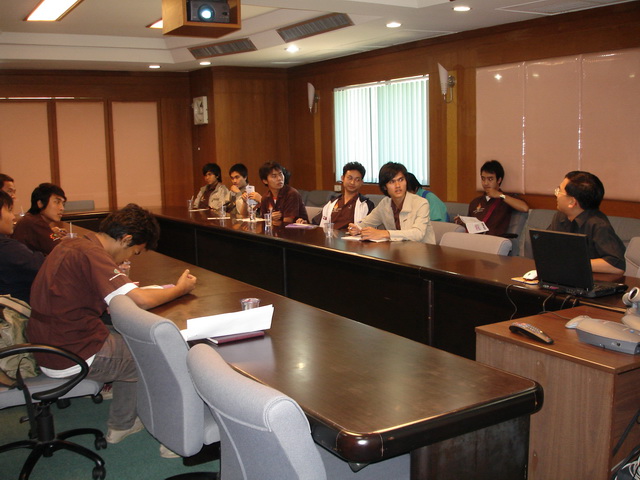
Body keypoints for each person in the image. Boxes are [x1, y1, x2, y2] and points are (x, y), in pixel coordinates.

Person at [26, 204, 197, 448]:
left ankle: (122, 421)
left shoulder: (72, 244)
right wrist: (180, 289)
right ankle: (146, 428)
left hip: (45, 344)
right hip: (70, 352)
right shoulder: (92, 254)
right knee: (155, 355)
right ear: (126, 239)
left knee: (126, 339)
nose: (128, 259)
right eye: (134, 252)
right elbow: (141, 300)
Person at [548, 171, 625, 274]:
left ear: (572, 202)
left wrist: (573, 262)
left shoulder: (598, 225)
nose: (556, 195)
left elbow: (616, 265)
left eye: (559, 191)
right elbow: (547, 246)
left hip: (591, 280)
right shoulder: (560, 217)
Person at [348, 162, 435, 243]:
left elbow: (418, 233)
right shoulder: (385, 204)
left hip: (422, 251)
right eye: (392, 182)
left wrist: (385, 233)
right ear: (384, 187)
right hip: (398, 250)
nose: (398, 185)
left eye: (401, 180)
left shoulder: (421, 203)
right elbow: (366, 222)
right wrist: (357, 228)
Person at [0, 190, 45, 304]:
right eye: (9, 210)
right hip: (22, 309)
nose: (13, 217)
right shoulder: (35, 222)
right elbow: (42, 265)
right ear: (40, 203)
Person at [464, 160, 529, 235]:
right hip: (474, 238)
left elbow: (524, 208)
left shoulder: (505, 198)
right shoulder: (475, 202)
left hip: (494, 239)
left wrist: (500, 195)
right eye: (483, 179)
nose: (485, 183)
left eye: (490, 179)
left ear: (499, 180)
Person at [302, 162, 373, 229]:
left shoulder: (367, 205)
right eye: (350, 178)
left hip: (351, 237)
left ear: (361, 182)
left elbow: (369, 229)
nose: (352, 182)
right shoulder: (332, 203)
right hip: (329, 236)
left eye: (357, 180)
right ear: (343, 178)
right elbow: (316, 223)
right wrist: (305, 224)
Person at [12, 182, 67, 255]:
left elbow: (50, 237)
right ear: (40, 203)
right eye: (57, 202)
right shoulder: (36, 223)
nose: (62, 208)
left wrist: (54, 234)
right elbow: (59, 251)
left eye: (63, 204)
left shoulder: (31, 218)